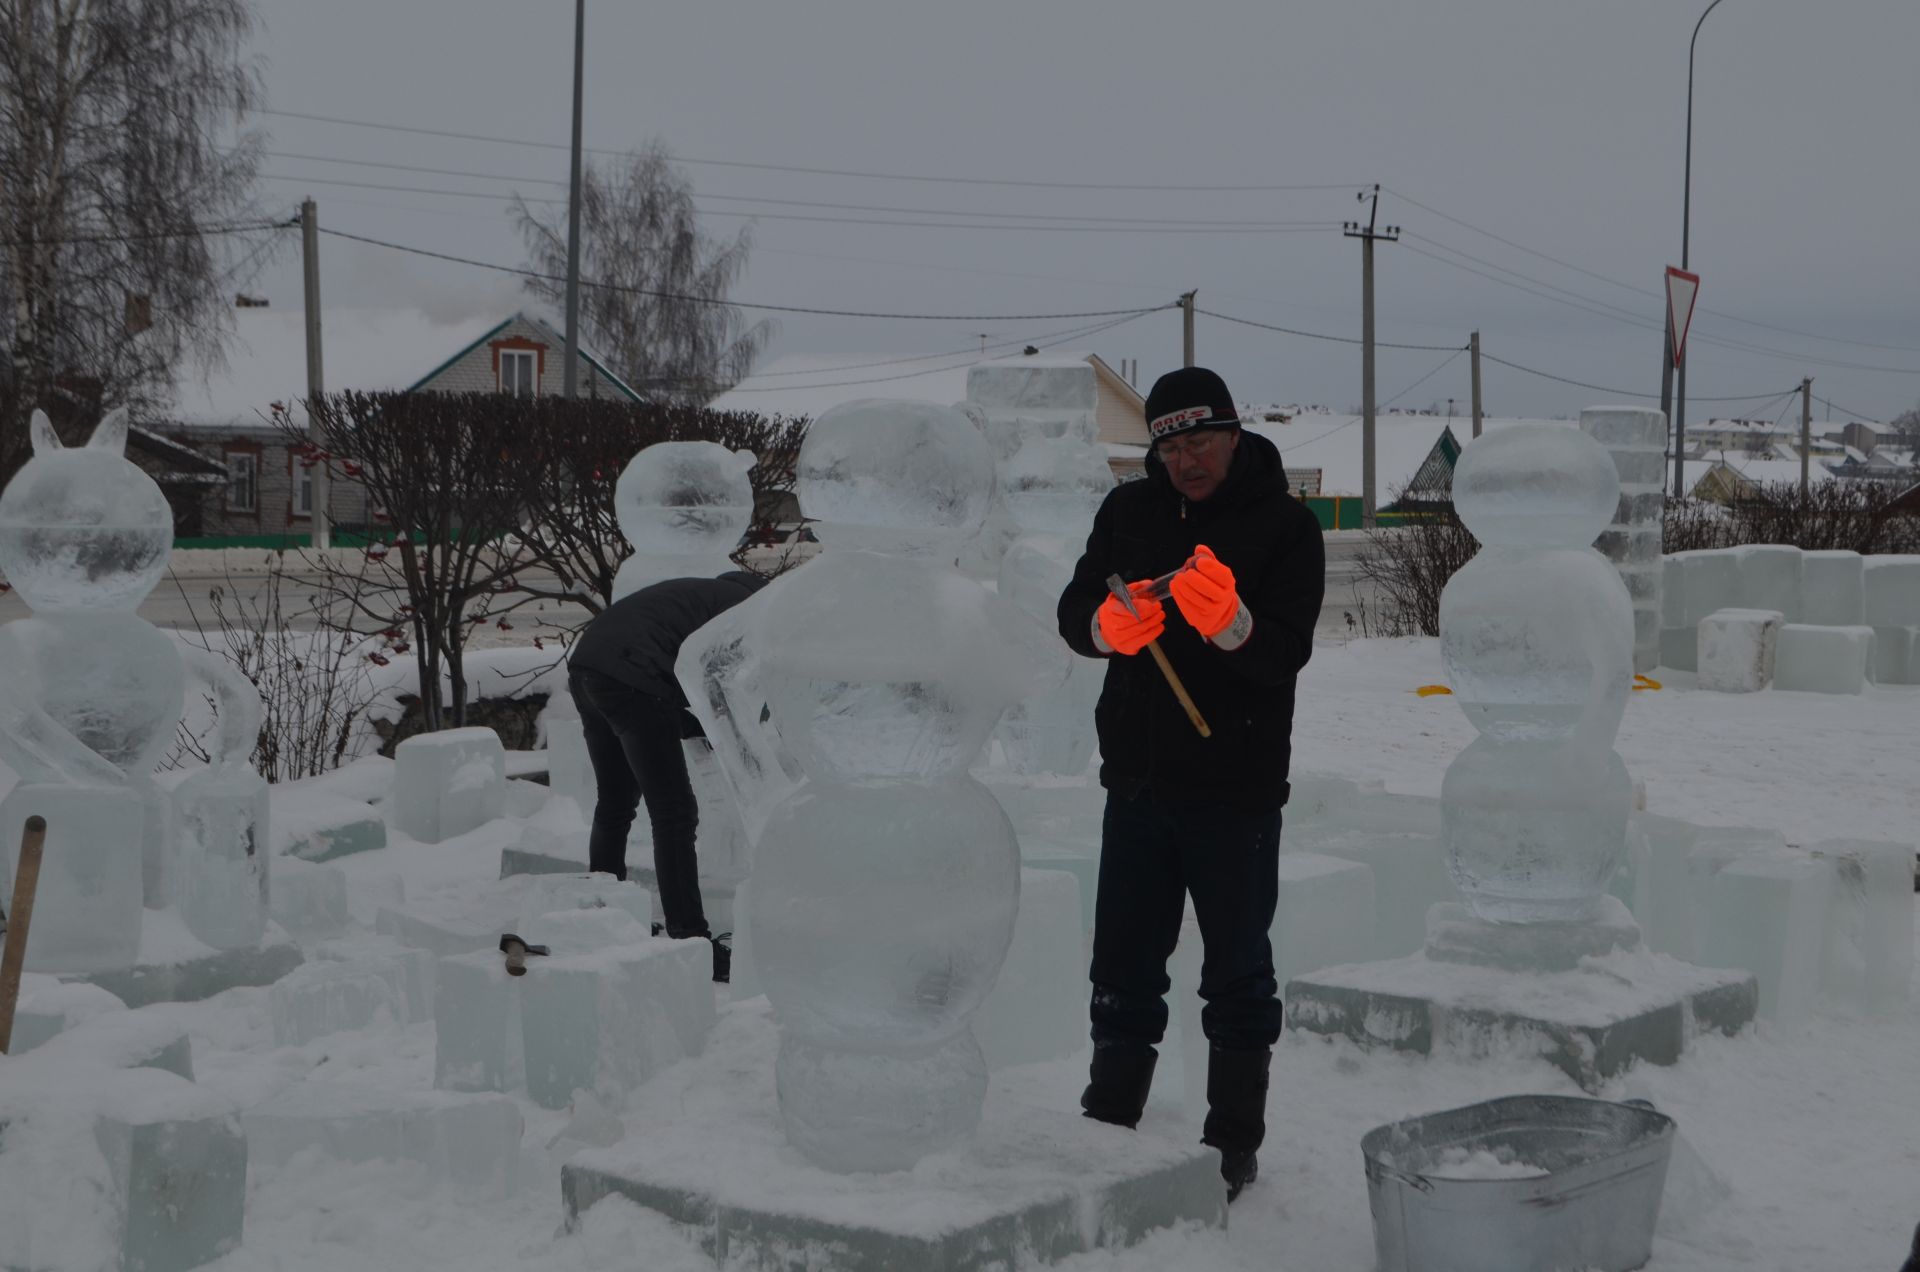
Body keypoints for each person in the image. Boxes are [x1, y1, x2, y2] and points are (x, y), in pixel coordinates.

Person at [1056, 365, 1325, 1200]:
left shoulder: (1285, 527)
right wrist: (1104, 627)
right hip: (1135, 784)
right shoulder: (1128, 511)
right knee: (1123, 967)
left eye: (1200, 442)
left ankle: (1230, 1143)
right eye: (1168, 447)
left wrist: (1234, 627)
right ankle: (1110, 1119)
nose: (1185, 462)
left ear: (1234, 435)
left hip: (1235, 790)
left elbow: (1286, 653)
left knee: (1238, 972)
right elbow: (1074, 610)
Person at [567, 569, 767, 980]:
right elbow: (721, 686)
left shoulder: (701, 596)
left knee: (616, 802)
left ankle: (602, 914)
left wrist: (703, 728)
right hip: (633, 675)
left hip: (588, 668)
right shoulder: (742, 612)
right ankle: (690, 937)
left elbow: (689, 689)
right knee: (674, 812)